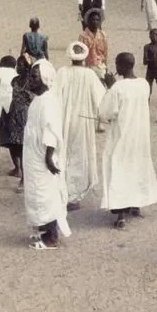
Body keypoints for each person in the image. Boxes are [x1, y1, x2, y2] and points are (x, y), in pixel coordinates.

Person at [99, 52, 157, 229]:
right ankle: (136, 205)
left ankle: (120, 216)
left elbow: (105, 112)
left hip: (122, 137)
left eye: (117, 64)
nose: (116, 67)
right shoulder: (143, 84)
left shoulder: (118, 88)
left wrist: (110, 87)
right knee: (137, 168)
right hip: (139, 136)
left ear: (123, 66)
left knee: (120, 169)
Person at [23, 59, 70, 250]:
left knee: (45, 194)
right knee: (36, 193)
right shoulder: (38, 99)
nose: (30, 79)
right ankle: (45, 230)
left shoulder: (48, 101)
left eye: (35, 77)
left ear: (45, 78)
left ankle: (52, 238)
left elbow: (51, 131)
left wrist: (49, 157)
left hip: (42, 157)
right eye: (31, 76)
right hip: (33, 156)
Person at [54, 42, 105, 210]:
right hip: (83, 122)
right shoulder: (89, 75)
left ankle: (63, 192)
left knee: (63, 153)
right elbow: (100, 99)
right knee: (79, 154)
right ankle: (73, 196)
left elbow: (54, 97)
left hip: (64, 120)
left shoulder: (62, 72)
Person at [1, 59, 33, 186]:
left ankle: (24, 178)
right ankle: (17, 168)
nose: (17, 68)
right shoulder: (14, 80)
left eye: (20, 65)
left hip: (26, 115)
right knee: (13, 144)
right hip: (14, 114)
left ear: (26, 67)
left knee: (24, 146)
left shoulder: (31, 81)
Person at [78, 9, 109, 81]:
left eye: (97, 20)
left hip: (100, 67)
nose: (95, 22)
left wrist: (106, 66)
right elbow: (80, 53)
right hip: (87, 67)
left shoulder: (103, 35)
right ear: (88, 21)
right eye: (93, 20)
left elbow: (106, 52)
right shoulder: (83, 36)